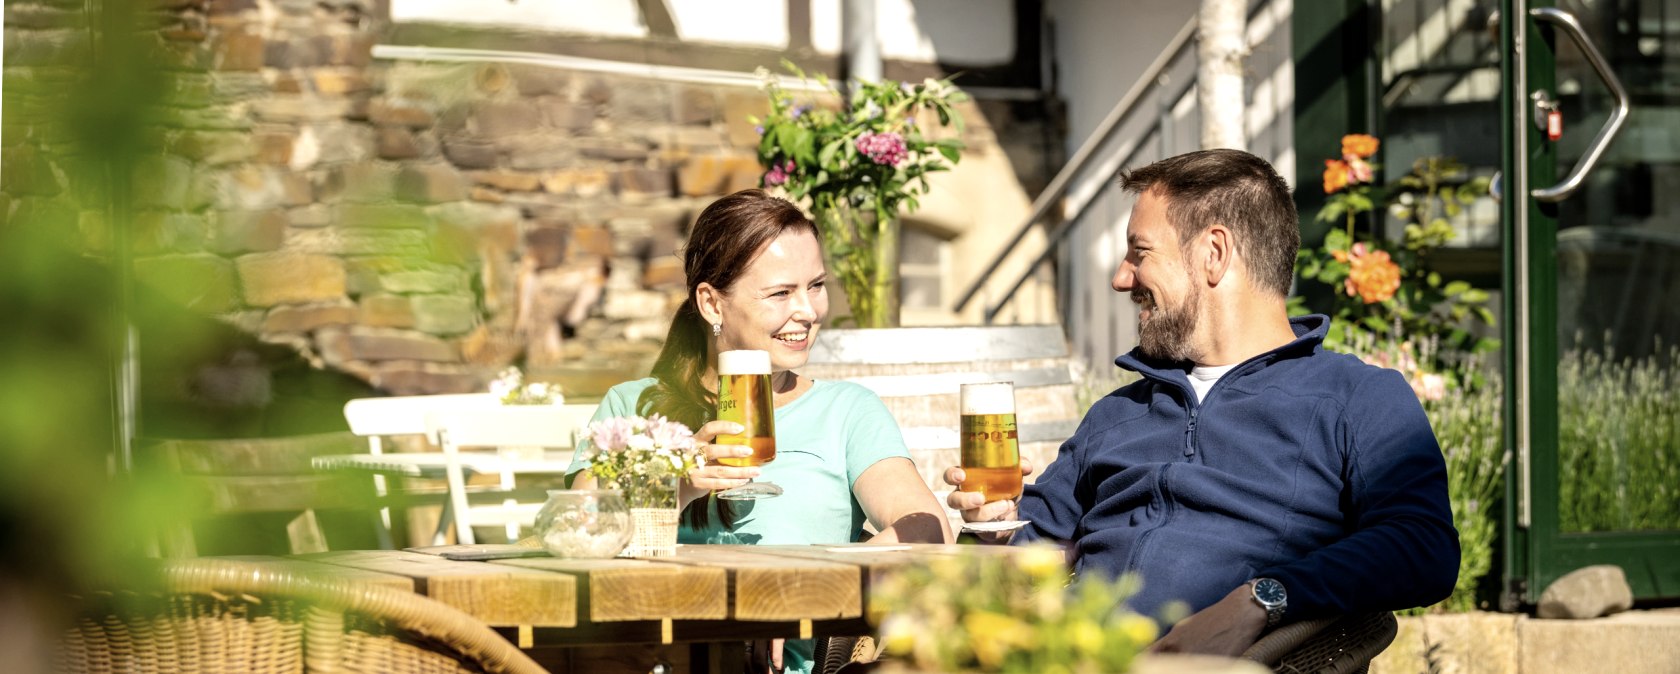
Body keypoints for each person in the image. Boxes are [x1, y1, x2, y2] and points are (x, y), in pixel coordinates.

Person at [944, 149, 1458, 656]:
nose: (1121, 278)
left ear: (1214, 253)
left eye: (1140, 252)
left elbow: (1423, 546)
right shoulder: (1117, 413)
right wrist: (992, 530)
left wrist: (1262, 600)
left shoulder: (1354, 397)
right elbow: (1029, 551)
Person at [571, 189, 951, 673]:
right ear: (712, 304)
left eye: (816, 285)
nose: (808, 311)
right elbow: (575, 534)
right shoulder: (634, 408)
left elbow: (928, 529)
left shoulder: (846, 410)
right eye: (781, 293)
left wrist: (801, 592)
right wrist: (675, 486)